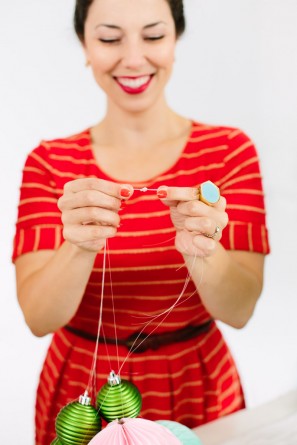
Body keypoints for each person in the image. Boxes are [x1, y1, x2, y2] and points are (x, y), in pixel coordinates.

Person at [12, 1, 270, 444]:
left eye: (153, 35)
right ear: (85, 44)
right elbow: (38, 318)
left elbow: (240, 310)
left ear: (175, 40)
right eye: (110, 38)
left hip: (200, 385)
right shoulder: (50, 163)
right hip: (83, 398)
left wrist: (201, 249)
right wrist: (78, 243)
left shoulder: (230, 151)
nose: (133, 58)